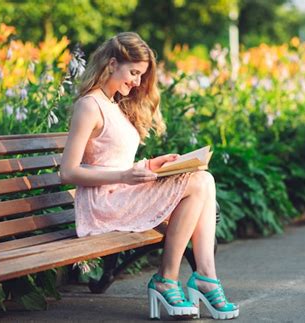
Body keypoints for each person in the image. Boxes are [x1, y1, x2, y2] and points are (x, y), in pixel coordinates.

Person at [60, 32, 239, 320]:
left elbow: (111, 160)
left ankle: (205, 275)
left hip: (121, 194)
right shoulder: (89, 106)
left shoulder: (115, 104)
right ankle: (168, 278)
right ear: (111, 63)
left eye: (141, 75)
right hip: (102, 205)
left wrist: (151, 166)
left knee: (203, 178)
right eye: (133, 72)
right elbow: (67, 172)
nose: (137, 82)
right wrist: (124, 175)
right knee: (198, 183)